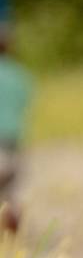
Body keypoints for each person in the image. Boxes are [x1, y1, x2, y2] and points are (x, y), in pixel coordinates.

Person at [0, 21, 31, 236]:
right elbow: (25, 103)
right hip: (12, 137)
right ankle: (11, 230)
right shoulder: (20, 74)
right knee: (9, 188)